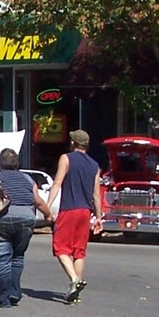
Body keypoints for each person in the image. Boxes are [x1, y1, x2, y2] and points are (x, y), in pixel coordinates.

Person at [0, 149, 52, 307]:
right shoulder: (27, 179)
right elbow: (38, 201)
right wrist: (49, 215)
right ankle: (14, 292)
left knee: (1, 259)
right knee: (17, 256)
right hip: (26, 220)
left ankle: (3, 297)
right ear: (17, 164)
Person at [47, 129, 103, 304]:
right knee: (79, 252)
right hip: (85, 212)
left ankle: (75, 280)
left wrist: (47, 206)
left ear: (73, 143)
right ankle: (76, 291)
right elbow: (96, 194)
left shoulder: (66, 158)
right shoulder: (94, 165)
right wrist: (99, 217)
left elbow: (57, 183)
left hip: (69, 209)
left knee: (60, 247)